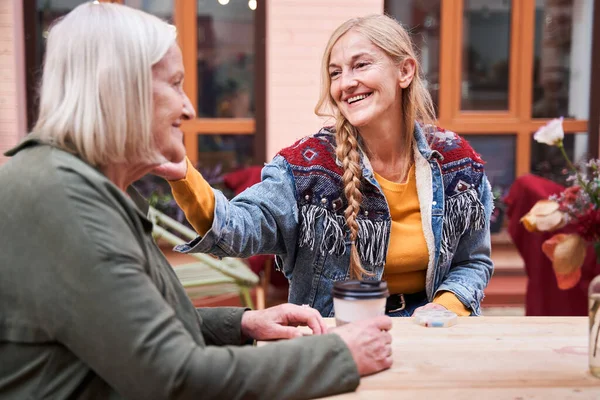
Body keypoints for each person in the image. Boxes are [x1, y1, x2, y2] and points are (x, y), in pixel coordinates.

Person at [0, 4, 394, 399]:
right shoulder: (68, 204)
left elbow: (124, 328)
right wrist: (337, 354)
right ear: (118, 90)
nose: (188, 108)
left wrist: (242, 323)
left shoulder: (71, 185)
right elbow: (175, 377)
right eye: (175, 84)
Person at [157, 14, 494, 319]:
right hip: (337, 336)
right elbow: (235, 230)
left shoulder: (455, 160)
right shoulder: (305, 168)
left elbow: (472, 261)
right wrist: (181, 172)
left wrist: (446, 307)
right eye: (336, 73)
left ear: (405, 71)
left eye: (361, 65)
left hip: (433, 333)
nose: (345, 83)